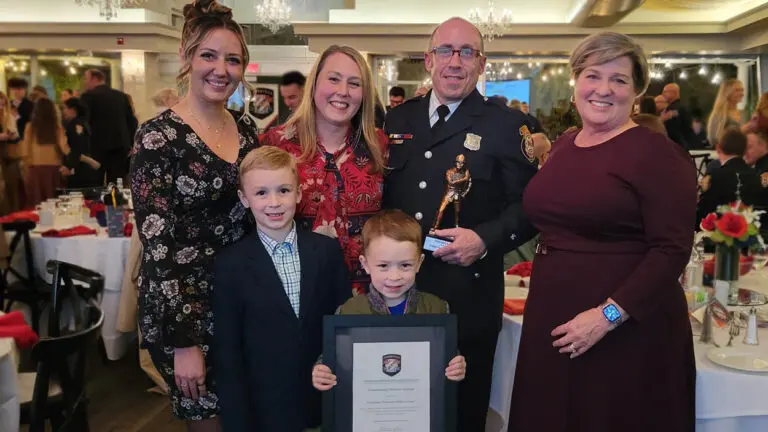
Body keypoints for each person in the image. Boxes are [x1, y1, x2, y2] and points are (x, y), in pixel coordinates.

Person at [508, 32, 697, 432]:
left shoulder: (657, 154)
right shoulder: (562, 145)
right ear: (576, 80)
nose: (603, 89)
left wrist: (607, 315)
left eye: (619, 79)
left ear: (637, 91)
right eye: (593, 75)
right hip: (552, 315)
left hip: (623, 329)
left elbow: (672, 250)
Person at [384, 17, 538, 431]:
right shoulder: (396, 121)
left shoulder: (506, 126)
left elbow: (531, 206)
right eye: (446, 51)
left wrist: (485, 240)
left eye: (467, 51)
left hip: (466, 299)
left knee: (463, 414)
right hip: (399, 294)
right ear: (428, 60)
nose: (456, 61)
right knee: (399, 409)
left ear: (482, 63)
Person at [129, 1, 258, 430]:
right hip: (182, 309)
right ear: (187, 57)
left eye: (233, 59)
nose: (221, 69)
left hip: (238, 299)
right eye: (209, 55)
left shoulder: (247, 129)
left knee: (244, 415)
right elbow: (158, 246)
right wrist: (186, 343)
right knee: (210, 421)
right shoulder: (157, 138)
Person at [214, 146, 351, 431]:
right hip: (264, 406)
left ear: (299, 193)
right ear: (244, 199)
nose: (273, 202)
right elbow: (228, 351)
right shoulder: (230, 264)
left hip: (323, 397)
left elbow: (343, 323)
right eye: (261, 193)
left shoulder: (326, 251)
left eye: (284, 190)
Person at [260, 45, 388, 296]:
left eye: (354, 83)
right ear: (314, 83)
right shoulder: (275, 144)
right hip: (294, 293)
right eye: (333, 79)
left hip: (365, 300)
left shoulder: (380, 146)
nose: (343, 92)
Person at [311, 209, 466, 391]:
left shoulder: (437, 309)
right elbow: (334, 359)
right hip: (369, 411)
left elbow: (446, 358)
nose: (394, 276)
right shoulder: (349, 311)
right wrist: (322, 370)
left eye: (405, 265)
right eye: (383, 266)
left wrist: (456, 366)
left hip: (417, 411)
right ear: (365, 264)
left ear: (419, 263)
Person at [81, 68, 137, 184]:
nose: (84, 82)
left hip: (96, 145)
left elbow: (84, 121)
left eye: (86, 79)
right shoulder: (120, 96)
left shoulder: (88, 96)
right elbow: (132, 121)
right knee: (117, 182)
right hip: (120, 145)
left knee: (95, 181)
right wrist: (131, 143)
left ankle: (96, 202)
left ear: (95, 79)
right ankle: (117, 201)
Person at [697, 128, 760, 225]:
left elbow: (703, 213)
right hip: (749, 231)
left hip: (718, 234)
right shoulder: (755, 175)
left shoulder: (716, 176)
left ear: (718, 148)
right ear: (744, 150)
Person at [19, 98, 73, 204]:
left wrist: (26, 168)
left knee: (37, 203)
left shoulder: (30, 127)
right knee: (54, 202)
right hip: (54, 169)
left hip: (35, 169)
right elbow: (64, 147)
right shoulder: (57, 127)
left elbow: (25, 151)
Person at [61, 98, 101, 188]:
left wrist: (69, 166)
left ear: (73, 110)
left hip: (80, 170)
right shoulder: (84, 123)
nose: (63, 111)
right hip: (87, 170)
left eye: (65, 108)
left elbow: (77, 147)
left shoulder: (75, 125)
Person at [0, 90, 22, 213]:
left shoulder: (8, 116)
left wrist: (11, 134)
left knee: (12, 185)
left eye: (3, 105)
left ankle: (13, 213)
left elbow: (16, 135)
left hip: (9, 154)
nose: (1, 108)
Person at [707, 78, 745, 147]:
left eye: (742, 90)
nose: (742, 93)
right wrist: (742, 130)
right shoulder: (719, 114)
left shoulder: (744, 113)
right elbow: (713, 139)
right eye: (737, 90)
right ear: (727, 93)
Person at [661, 83, 696, 149]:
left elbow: (672, 131)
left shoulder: (674, 109)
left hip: (676, 147)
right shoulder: (682, 108)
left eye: (665, 92)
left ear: (674, 92)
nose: (663, 94)